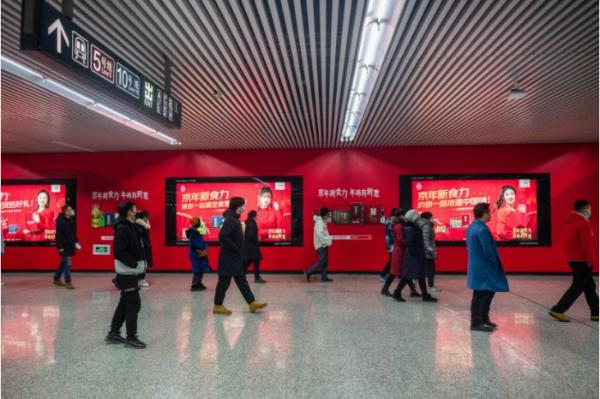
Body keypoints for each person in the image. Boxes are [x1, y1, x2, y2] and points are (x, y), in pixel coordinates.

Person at [213, 197, 267, 315]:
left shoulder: (233, 219)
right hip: (229, 257)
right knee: (224, 281)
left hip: (234, 257)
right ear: (239, 207)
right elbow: (223, 236)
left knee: (241, 280)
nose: (245, 207)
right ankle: (217, 305)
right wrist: (236, 248)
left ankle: (252, 303)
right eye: (244, 205)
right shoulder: (231, 220)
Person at [105, 202, 147, 349]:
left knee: (125, 304)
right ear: (129, 212)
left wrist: (142, 224)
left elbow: (142, 238)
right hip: (127, 272)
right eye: (135, 210)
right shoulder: (122, 228)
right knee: (133, 304)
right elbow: (120, 251)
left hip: (131, 272)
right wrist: (135, 264)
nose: (137, 211)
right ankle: (131, 337)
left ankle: (113, 333)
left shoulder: (130, 226)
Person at [549, 200, 598, 322]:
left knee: (590, 287)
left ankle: (596, 312)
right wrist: (592, 261)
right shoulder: (583, 223)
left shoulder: (570, 223)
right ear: (585, 208)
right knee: (577, 287)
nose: (590, 211)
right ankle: (558, 309)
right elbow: (586, 245)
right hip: (582, 260)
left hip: (573, 259)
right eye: (589, 208)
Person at [467, 203, 509, 332]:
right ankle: (476, 322)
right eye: (489, 212)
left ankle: (483, 318)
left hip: (477, 265)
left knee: (484, 293)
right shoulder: (482, 229)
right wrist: (493, 262)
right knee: (482, 294)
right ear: (484, 213)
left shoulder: (472, 227)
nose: (490, 215)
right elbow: (488, 249)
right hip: (484, 267)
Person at [392, 210, 437, 302]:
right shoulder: (409, 228)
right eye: (417, 216)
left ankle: (425, 295)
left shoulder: (414, 227)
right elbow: (410, 243)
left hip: (416, 254)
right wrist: (417, 254)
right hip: (413, 255)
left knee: (420, 275)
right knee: (407, 275)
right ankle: (397, 292)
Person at [53, 205, 80, 289]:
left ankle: (56, 279)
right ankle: (68, 282)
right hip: (63, 246)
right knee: (67, 263)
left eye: (71, 209)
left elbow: (72, 232)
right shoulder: (60, 221)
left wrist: (76, 241)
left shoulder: (70, 220)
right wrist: (59, 246)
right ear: (65, 212)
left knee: (64, 263)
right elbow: (58, 235)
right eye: (69, 209)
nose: (71, 211)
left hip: (70, 244)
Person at [304, 207, 334, 282]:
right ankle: (309, 272)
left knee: (325, 261)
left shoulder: (322, 221)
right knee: (322, 261)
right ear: (324, 215)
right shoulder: (319, 222)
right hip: (321, 245)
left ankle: (324, 277)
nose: (328, 215)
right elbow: (319, 234)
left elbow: (324, 230)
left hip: (324, 244)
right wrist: (326, 241)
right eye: (327, 214)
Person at [381, 209, 406, 296]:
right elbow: (399, 239)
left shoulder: (394, 223)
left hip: (396, 248)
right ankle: (386, 288)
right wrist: (408, 243)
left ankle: (413, 290)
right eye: (403, 215)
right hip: (397, 249)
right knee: (395, 271)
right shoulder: (398, 225)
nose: (405, 216)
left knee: (399, 271)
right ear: (400, 216)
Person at [187, 217, 210, 291]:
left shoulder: (195, 230)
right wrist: (202, 250)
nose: (201, 223)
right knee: (197, 270)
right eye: (200, 222)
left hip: (198, 252)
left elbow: (204, 232)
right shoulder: (194, 231)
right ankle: (195, 285)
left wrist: (204, 247)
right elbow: (195, 243)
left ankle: (199, 283)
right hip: (196, 253)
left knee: (201, 269)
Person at [243, 210, 266, 283]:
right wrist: (257, 241)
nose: (257, 217)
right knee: (256, 261)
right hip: (252, 246)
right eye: (256, 215)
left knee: (249, 261)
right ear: (254, 216)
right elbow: (251, 235)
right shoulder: (251, 224)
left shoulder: (248, 223)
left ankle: (241, 275)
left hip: (249, 246)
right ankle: (257, 278)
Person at [420, 211, 440, 292]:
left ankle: (430, 286)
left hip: (427, 250)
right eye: (431, 217)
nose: (433, 218)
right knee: (431, 269)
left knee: (430, 269)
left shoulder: (427, 225)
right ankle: (430, 286)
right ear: (428, 218)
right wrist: (429, 249)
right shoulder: (426, 226)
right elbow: (426, 239)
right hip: (428, 251)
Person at [134, 211, 153, 288]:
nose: (147, 219)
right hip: (142, 248)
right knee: (143, 264)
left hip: (145, 246)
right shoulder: (139, 225)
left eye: (147, 217)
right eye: (145, 217)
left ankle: (140, 279)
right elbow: (140, 238)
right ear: (142, 218)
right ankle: (140, 280)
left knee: (145, 264)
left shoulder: (144, 225)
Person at [378, 208, 397, 282]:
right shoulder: (390, 222)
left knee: (393, 260)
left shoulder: (389, 220)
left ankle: (385, 275)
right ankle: (383, 275)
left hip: (391, 244)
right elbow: (392, 234)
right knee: (392, 260)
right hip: (392, 244)